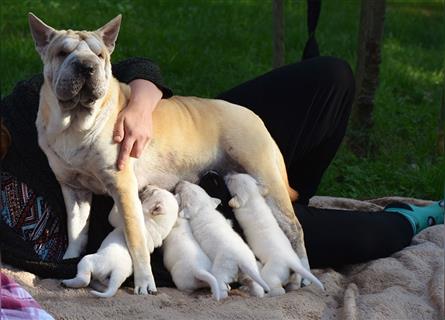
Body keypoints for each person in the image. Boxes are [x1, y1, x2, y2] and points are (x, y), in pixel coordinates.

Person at [1, 54, 443, 287]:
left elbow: (133, 65)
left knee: (331, 79)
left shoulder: (20, 111)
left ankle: (292, 196)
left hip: (184, 136)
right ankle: (411, 217)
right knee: (368, 236)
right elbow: (59, 264)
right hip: (174, 221)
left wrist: (141, 101)